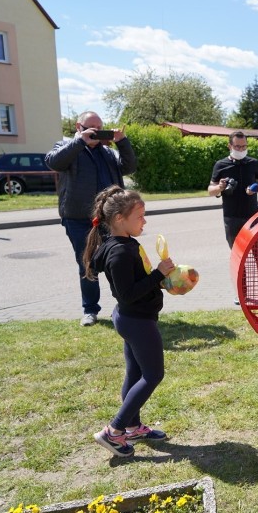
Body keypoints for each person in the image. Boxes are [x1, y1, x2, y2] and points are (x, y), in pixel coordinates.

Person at [83, 186, 175, 457]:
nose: (144, 221)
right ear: (120, 219)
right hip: (137, 321)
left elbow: (137, 282)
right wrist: (157, 274)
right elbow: (127, 293)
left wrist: (164, 279)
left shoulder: (125, 243)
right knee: (153, 374)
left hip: (132, 318)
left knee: (135, 374)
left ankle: (132, 426)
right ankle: (114, 431)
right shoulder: (119, 252)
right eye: (139, 216)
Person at [46, 111, 136, 327]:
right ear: (79, 127)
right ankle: (90, 310)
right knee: (87, 264)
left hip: (110, 218)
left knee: (118, 262)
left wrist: (122, 142)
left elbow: (129, 167)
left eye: (99, 127)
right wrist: (79, 142)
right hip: (78, 218)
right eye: (90, 127)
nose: (95, 131)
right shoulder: (67, 146)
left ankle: (126, 306)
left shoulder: (108, 152)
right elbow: (54, 162)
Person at [208, 131, 258, 303]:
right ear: (230, 146)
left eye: (244, 146)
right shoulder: (220, 165)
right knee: (239, 256)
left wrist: (257, 189)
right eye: (238, 146)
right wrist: (220, 188)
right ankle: (242, 294)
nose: (241, 149)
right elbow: (210, 190)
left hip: (253, 216)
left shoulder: (253, 163)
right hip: (231, 218)